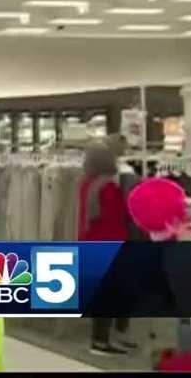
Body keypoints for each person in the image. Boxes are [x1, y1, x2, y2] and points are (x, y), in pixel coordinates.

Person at [78, 135, 136, 356]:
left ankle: (102, 340)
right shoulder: (108, 187)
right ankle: (100, 342)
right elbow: (115, 218)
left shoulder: (86, 183)